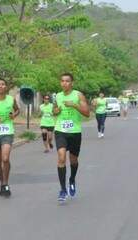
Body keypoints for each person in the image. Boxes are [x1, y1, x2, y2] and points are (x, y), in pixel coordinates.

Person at [53, 73, 90, 202]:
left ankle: (72, 179)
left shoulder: (78, 95)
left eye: (67, 81)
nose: (64, 83)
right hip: (60, 130)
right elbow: (54, 110)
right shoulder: (57, 96)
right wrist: (55, 111)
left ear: (72, 83)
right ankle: (63, 190)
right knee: (61, 158)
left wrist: (74, 105)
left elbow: (87, 113)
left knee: (73, 160)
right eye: (62, 81)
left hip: (74, 132)